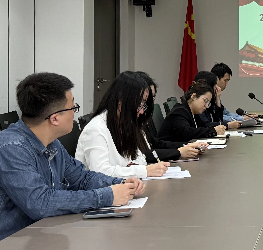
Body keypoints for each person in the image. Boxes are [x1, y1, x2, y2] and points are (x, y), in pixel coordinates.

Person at [0, 72, 145, 240]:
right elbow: (40, 203)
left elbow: (81, 178)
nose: (75, 113)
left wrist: (120, 184)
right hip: (14, 244)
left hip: (46, 234)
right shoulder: (11, 148)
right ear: (55, 119)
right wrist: (107, 196)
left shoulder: (52, 143)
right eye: (73, 107)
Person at [76, 71, 169, 179]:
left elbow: (140, 158)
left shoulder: (126, 124)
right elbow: (100, 173)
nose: (141, 111)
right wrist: (142, 171)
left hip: (125, 185)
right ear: (121, 100)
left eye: (144, 105)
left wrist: (131, 169)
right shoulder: (96, 129)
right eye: (139, 103)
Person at [135, 71, 205, 162]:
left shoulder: (141, 120)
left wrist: (187, 145)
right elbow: (142, 155)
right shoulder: (129, 123)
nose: (150, 103)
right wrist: (178, 152)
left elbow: (156, 144)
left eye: (152, 98)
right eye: (145, 100)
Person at [158, 81, 225, 142]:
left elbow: (204, 125)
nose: (206, 106)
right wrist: (213, 130)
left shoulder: (192, 113)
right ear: (194, 96)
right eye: (205, 101)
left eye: (208, 103)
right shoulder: (179, 111)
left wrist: (223, 126)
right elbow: (187, 132)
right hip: (168, 150)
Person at [211, 62, 256, 129]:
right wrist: (242, 119)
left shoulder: (216, 94)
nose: (227, 84)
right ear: (216, 78)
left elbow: (226, 113)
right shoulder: (208, 96)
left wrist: (243, 117)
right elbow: (219, 118)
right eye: (225, 80)